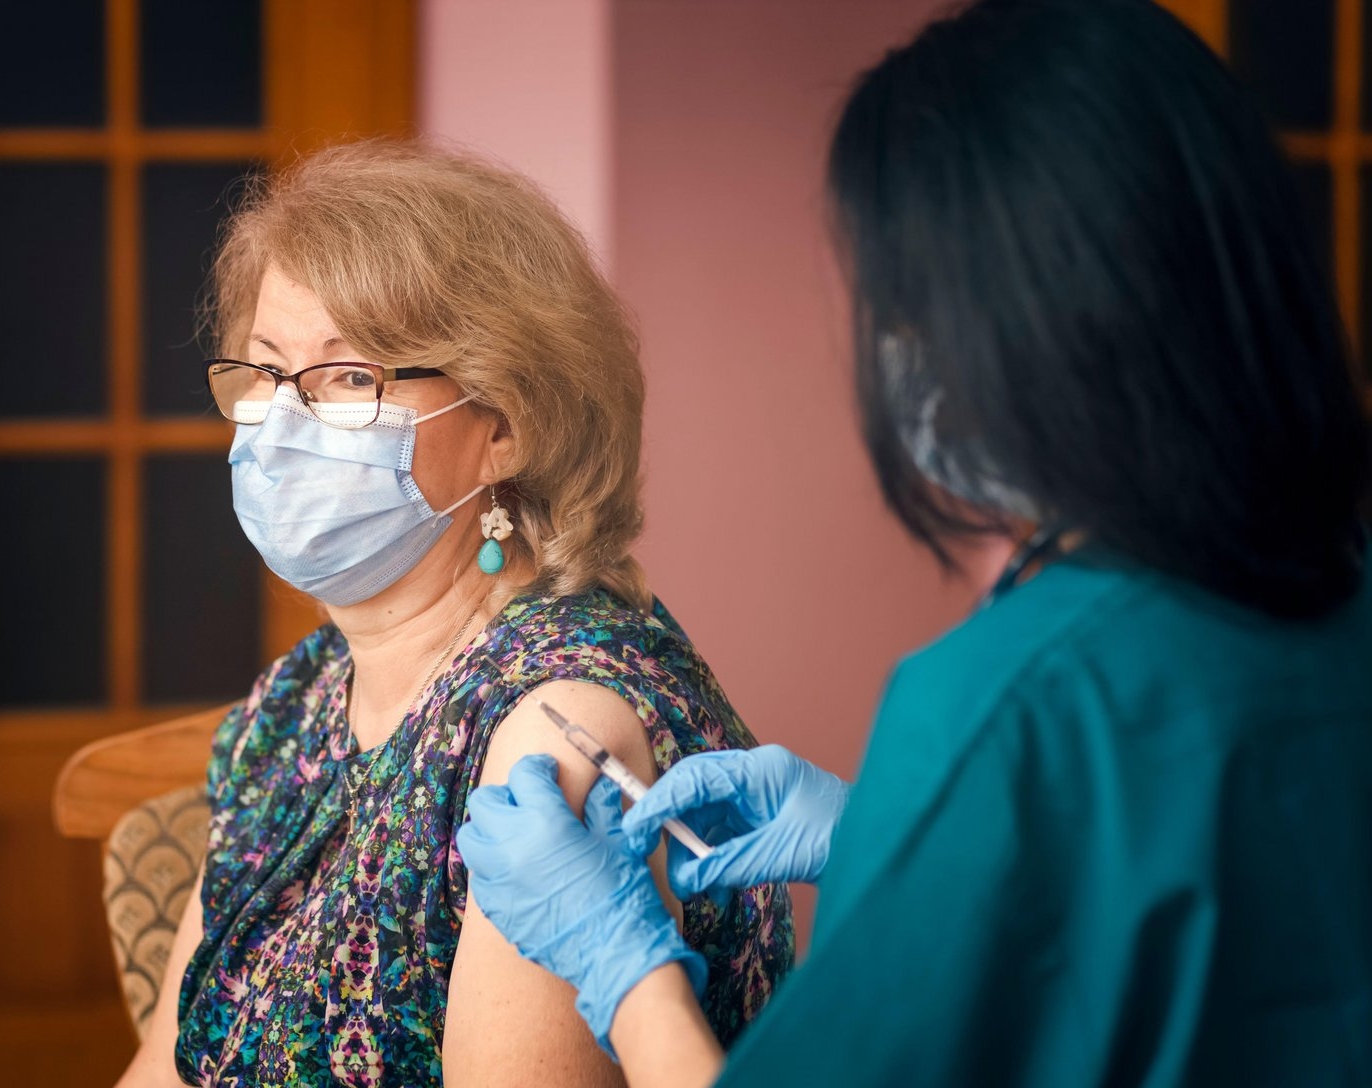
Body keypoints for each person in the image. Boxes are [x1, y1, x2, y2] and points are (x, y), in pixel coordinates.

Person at [457, 0, 1372, 1084]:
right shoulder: (1331, 599)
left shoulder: (1012, 703)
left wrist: (619, 961)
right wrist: (904, 844)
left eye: (905, 312)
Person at [113, 143, 793, 1088]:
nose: (283, 422)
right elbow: (164, 1069)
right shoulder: (301, 697)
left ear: (505, 427)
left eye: (351, 379)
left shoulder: (556, 728)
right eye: (266, 372)